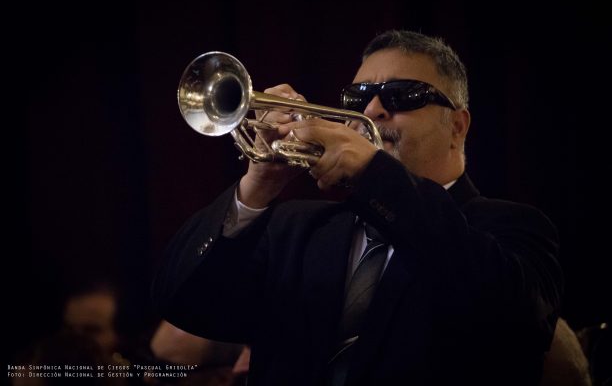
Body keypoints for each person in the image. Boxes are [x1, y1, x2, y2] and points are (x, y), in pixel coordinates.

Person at [152, 30, 564, 385]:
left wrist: (376, 175)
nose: (371, 110)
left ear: (457, 127)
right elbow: (184, 303)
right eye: (359, 96)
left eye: (401, 96)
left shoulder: (513, 227)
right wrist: (258, 184)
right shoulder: (295, 228)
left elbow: (516, 325)